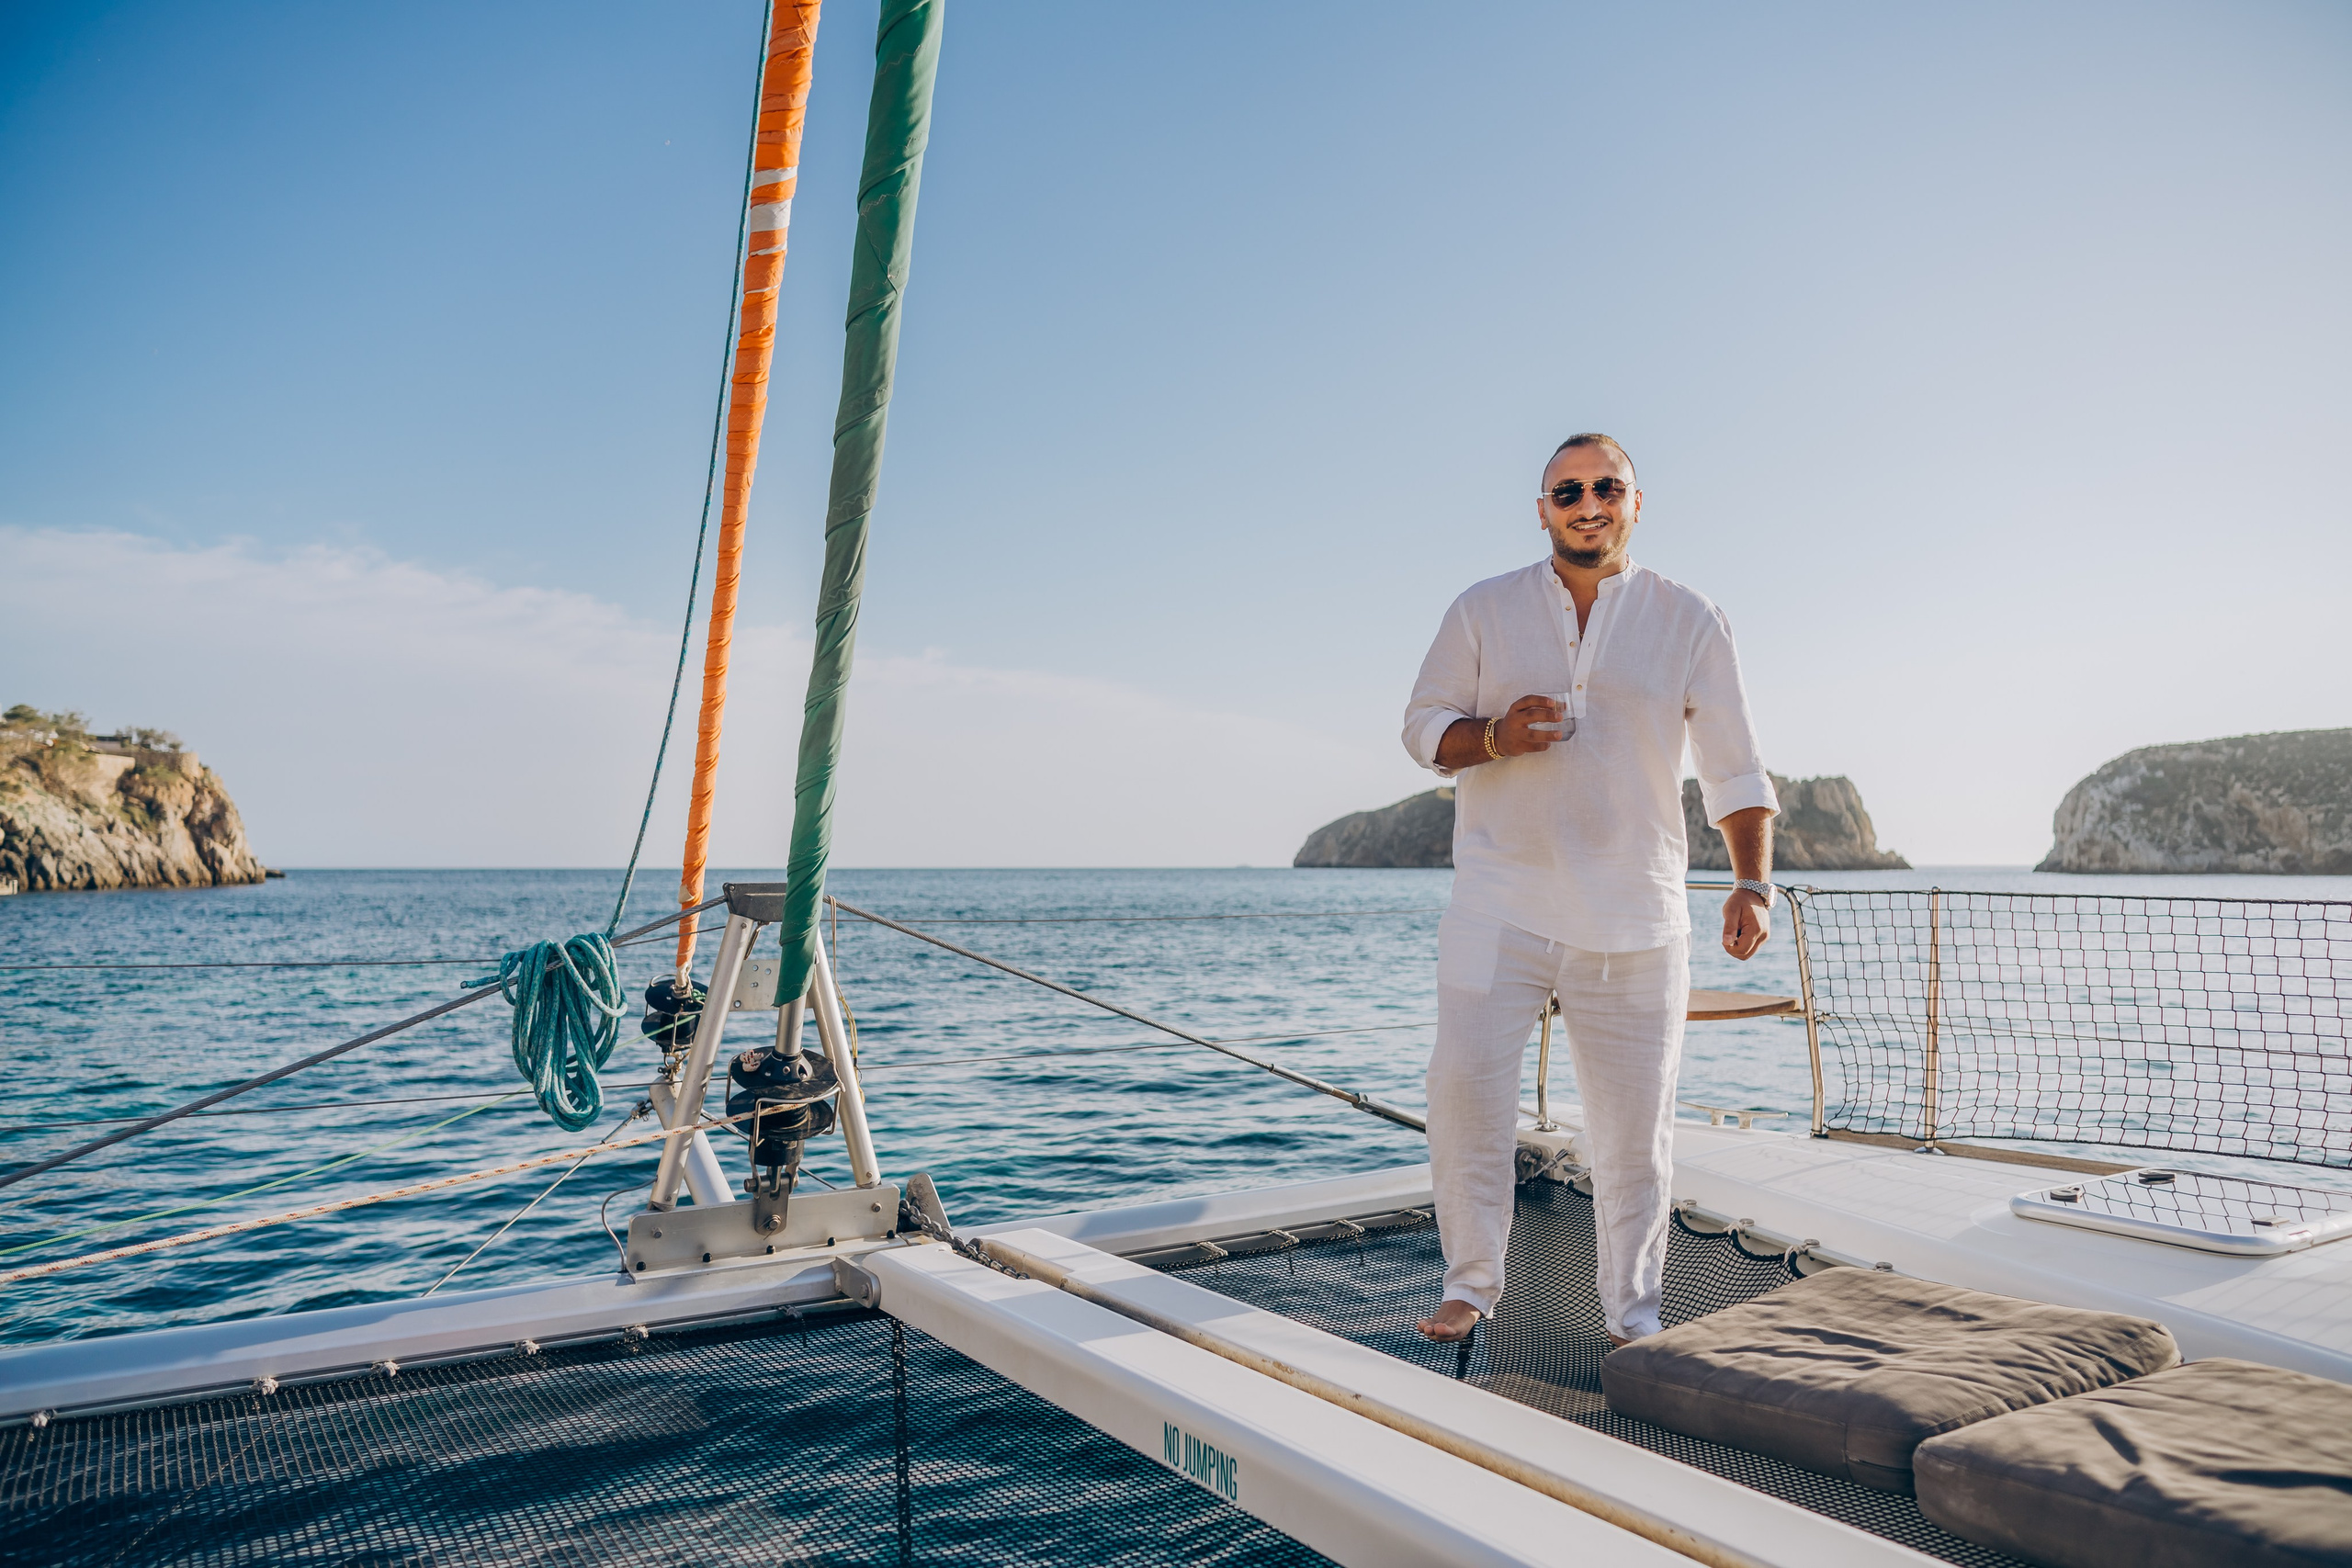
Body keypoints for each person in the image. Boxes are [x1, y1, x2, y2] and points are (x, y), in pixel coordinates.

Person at [1401, 433, 1777, 1348]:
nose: (1586, 502)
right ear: (1542, 510)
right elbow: (1421, 729)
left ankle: (1631, 1319)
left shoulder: (1690, 617)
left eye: (1606, 486)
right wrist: (1493, 737)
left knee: (1634, 1134)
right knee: (1460, 1092)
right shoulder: (1481, 609)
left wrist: (1753, 885)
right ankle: (1470, 1284)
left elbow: (1734, 768)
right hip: (1499, 903)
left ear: (1635, 502)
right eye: (1565, 490)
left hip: (1637, 915)